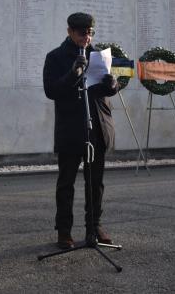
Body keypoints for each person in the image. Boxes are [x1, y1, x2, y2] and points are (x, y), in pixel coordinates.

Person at [43, 12, 119, 249]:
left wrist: (113, 85)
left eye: (90, 33)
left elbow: (105, 89)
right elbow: (51, 90)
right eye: (82, 33)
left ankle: (94, 226)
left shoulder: (97, 56)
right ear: (69, 32)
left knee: (95, 182)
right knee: (66, 182)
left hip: (95, 126)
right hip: (70, 128)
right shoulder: (55, 57)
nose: (87, 38)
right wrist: (73, 73)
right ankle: (64, 231)